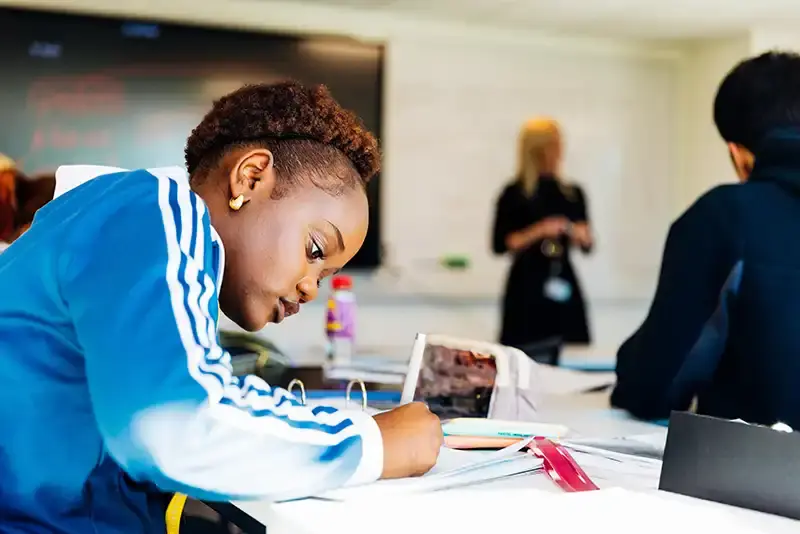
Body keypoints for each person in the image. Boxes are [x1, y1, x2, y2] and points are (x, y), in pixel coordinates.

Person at [0, 81, 442, 533]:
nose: (311, 289)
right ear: (249, 178)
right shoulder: (155, 208)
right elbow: (173, 426)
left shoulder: (104, 218)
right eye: (315, 249)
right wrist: (373, 442)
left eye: (325, 277)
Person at [612, 51, 800, 428]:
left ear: (739, 155)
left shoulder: (726, 216)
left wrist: (630, 361)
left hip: (758, 477)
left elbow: (655, 384)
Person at [491, 117, 593, 351]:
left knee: (572, 349)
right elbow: (500, 244)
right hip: (526, 289)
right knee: (523, 352)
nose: (559, 152)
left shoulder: (572, 193)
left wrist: (574, 232)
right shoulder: (513, 194)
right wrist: (540, 231)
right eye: (553, 145)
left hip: (562, 280)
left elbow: (588, 242)